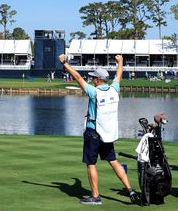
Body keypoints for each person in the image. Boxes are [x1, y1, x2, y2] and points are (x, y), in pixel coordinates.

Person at [58, 54, 140, 205]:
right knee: (114, 161)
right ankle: (130, 190)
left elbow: (76, 76)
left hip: (93, 132)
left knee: (91, 164)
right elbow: (119, 75)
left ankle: (95, 196)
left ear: (97, 79)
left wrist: (64, 63)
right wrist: (120, 61)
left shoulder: (94, 92)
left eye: (92, 77)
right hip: (107, 134)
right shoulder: (114, 89)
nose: (90, 79)